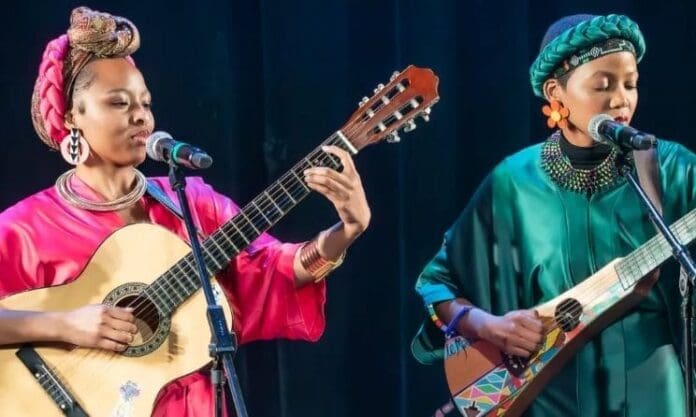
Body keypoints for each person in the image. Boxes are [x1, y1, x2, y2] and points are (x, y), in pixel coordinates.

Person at [0, 6, 371, 416]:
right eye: (119, 102)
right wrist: (65, 323)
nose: (140, 115)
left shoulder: (189, 203)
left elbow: (269, 269)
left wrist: (346, 231)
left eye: (145, 102)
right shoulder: (24, 230)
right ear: (73, 116)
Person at [412, 13, 695, 417]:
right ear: (555, 92)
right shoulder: (515, 182)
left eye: (630, 84)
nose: (621, 100)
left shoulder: (669, 169)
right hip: (548, 397)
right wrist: (490, 327)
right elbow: (435, 284)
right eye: (602, 85)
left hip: (653, 394)